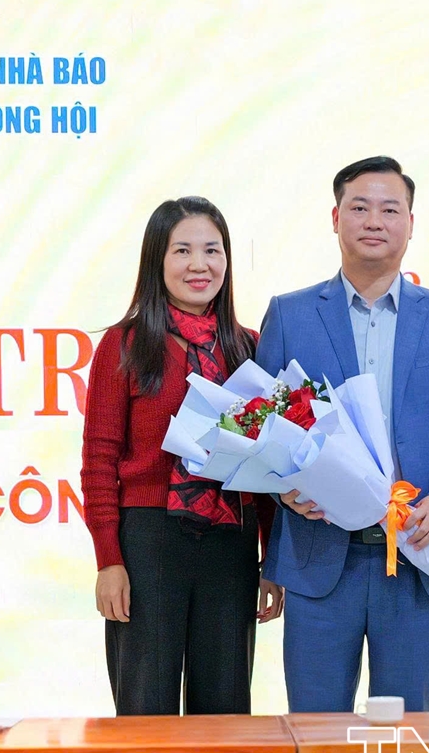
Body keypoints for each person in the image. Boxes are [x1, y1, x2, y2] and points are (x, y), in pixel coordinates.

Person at [255, 155, 429, 713]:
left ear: (410, 223)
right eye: (359, 207)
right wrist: (284, 487)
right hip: (319, 559)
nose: (374, 221)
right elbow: (264, 423)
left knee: (406, 737)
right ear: (335, 218)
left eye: (390, 210)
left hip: (415, 554)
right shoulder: (290, 314)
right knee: (316, 734)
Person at [81, 197, 282, 716]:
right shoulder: (125, 345)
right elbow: (99, 461)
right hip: (149, 544)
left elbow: (266, 465)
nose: (200, 265)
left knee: (225, 711)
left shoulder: (249, 347)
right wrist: (109, 560)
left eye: (212, 250)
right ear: (158, 260)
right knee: (144, 711)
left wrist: (272, 560)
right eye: (183, 250)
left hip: (231, 546)